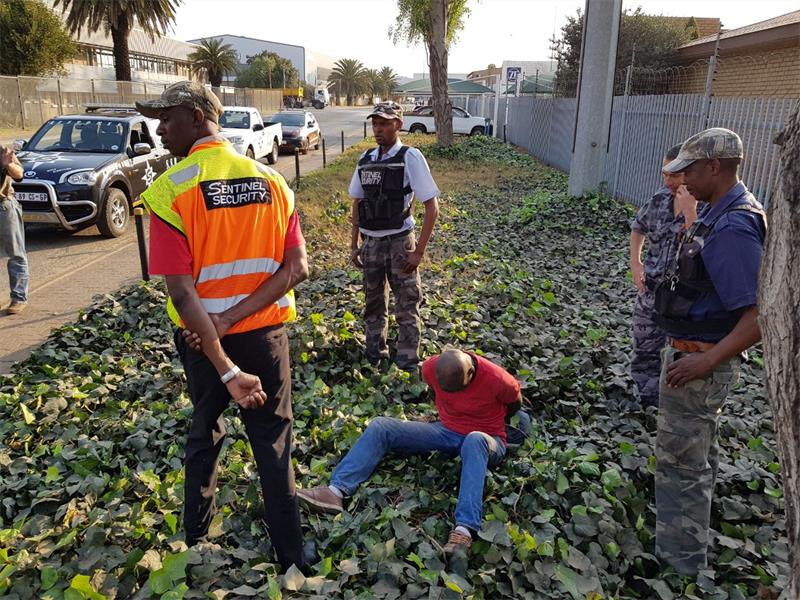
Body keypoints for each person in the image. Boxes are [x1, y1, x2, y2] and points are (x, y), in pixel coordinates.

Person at [135, 81, 309, 572]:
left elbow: (181, 293)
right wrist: (235, 318)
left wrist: (220, 350)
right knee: (273, 440)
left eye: (166, 117)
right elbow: (296, 268)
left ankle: (195, 539)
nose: (159, 128)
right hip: (266, 338)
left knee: (205, 431)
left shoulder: (171, 190)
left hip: (202, 342)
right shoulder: (273, 182)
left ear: (196, 117)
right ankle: (291, 555)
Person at [653, 128, 766, 576]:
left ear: (714, 167)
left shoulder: (733, 226)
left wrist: (708, 360)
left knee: (681, 465)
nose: (682, 181)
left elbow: (758, 314)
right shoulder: (718, 213)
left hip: (699, 365)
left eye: (690, 171)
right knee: (693, 457)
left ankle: (679, 566)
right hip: (692, 358)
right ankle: (688, 549)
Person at [296, 348, 521, 556]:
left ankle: (465, 530)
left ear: (470, 373)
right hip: (447, 431)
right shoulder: (430, 368)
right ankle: (335, 491)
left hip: (487, 440)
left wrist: (489, 427)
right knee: (381, 426)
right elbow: (432, 391)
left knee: (473, 440)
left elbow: (515, 405)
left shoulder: (499, 379)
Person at [349, 101, 440, 371]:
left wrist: (419, 252)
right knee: (373, 304)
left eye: (385, 124)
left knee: (407, 305)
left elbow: (432, 207)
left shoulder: (410, 157)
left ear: (398, 125)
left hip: (400, 243)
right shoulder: (365, 159)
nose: (378, 129)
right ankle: (375, 358)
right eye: (375, 123)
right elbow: (357, 202)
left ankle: (408, 363)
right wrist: (354, 245)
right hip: (371, 244)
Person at [629, 144, 700, 408]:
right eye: (665, 174)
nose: (668, 181)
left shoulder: (705, 207)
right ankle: (645, 402)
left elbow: (705, 252)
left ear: (689, 173)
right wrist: (636, 263)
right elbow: (638, 228)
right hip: (651, 292)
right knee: (643, 350)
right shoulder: (659, 199)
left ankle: (669, 406)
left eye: (675, 175)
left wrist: (690, 213)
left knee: (678, 359)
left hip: (685, 301)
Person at [0, 144, 28, 315]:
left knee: (16, 254)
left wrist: (8, 164)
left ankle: (18, 298)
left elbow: (19, 175)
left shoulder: (2, 149)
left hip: (3, 207)